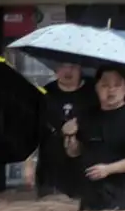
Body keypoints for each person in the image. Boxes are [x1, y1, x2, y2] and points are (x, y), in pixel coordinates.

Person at [62, 67, 125, 211]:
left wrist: (109, 169)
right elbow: (74, 152)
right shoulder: (87, 116)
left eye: (117, 85)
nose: (111, 90)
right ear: (97, 88)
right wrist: (69, 135)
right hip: (89, 195)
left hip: (120, 197)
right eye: (105, 85)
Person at [25, 63, 97, 199]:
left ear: (80, 68)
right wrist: (28, 164)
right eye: (63, 66)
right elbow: (31, 131)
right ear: (55, 68)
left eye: (73, 66)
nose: (68, 71)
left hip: (85, 170)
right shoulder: (44, 94)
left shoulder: (93, 94)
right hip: (50, 169)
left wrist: (79, 127)